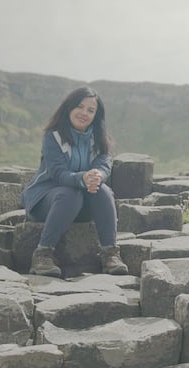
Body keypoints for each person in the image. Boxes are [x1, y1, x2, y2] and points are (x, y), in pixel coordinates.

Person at [21, 87, 128, 277]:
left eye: (90, 110)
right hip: (46, 201)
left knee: (103, 192)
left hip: (79, 205)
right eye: (80, 106)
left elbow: (104, 165)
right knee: (70, 193)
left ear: (96, 116)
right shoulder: (53, 136)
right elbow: (58, 173)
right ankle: (43, 255)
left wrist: (97, 176)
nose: (84, 113)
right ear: (69, 108)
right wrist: (81, 178)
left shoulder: (100, 139)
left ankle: (110, 254)